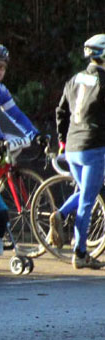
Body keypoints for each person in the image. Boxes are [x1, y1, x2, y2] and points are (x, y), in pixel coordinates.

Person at [50, 33, 105, 269]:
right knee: (87, 202)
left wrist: (62, 141)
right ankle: (80, 253)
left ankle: (60, 215)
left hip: (72, 147)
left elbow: (61, 111)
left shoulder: (75, 79)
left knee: (84, 192)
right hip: (94, 147)